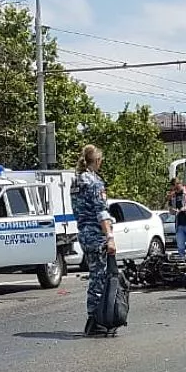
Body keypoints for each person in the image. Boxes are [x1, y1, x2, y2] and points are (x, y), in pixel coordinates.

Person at [70, 144, 117, 337]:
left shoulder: (77, 181)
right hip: (96, 235)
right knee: (99, 277)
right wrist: (110, 237)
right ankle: (96, 319)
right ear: (97, 161)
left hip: (83, 232)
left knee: (95, 274)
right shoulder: (94, 182)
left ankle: (95, 318)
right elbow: (101, 212)